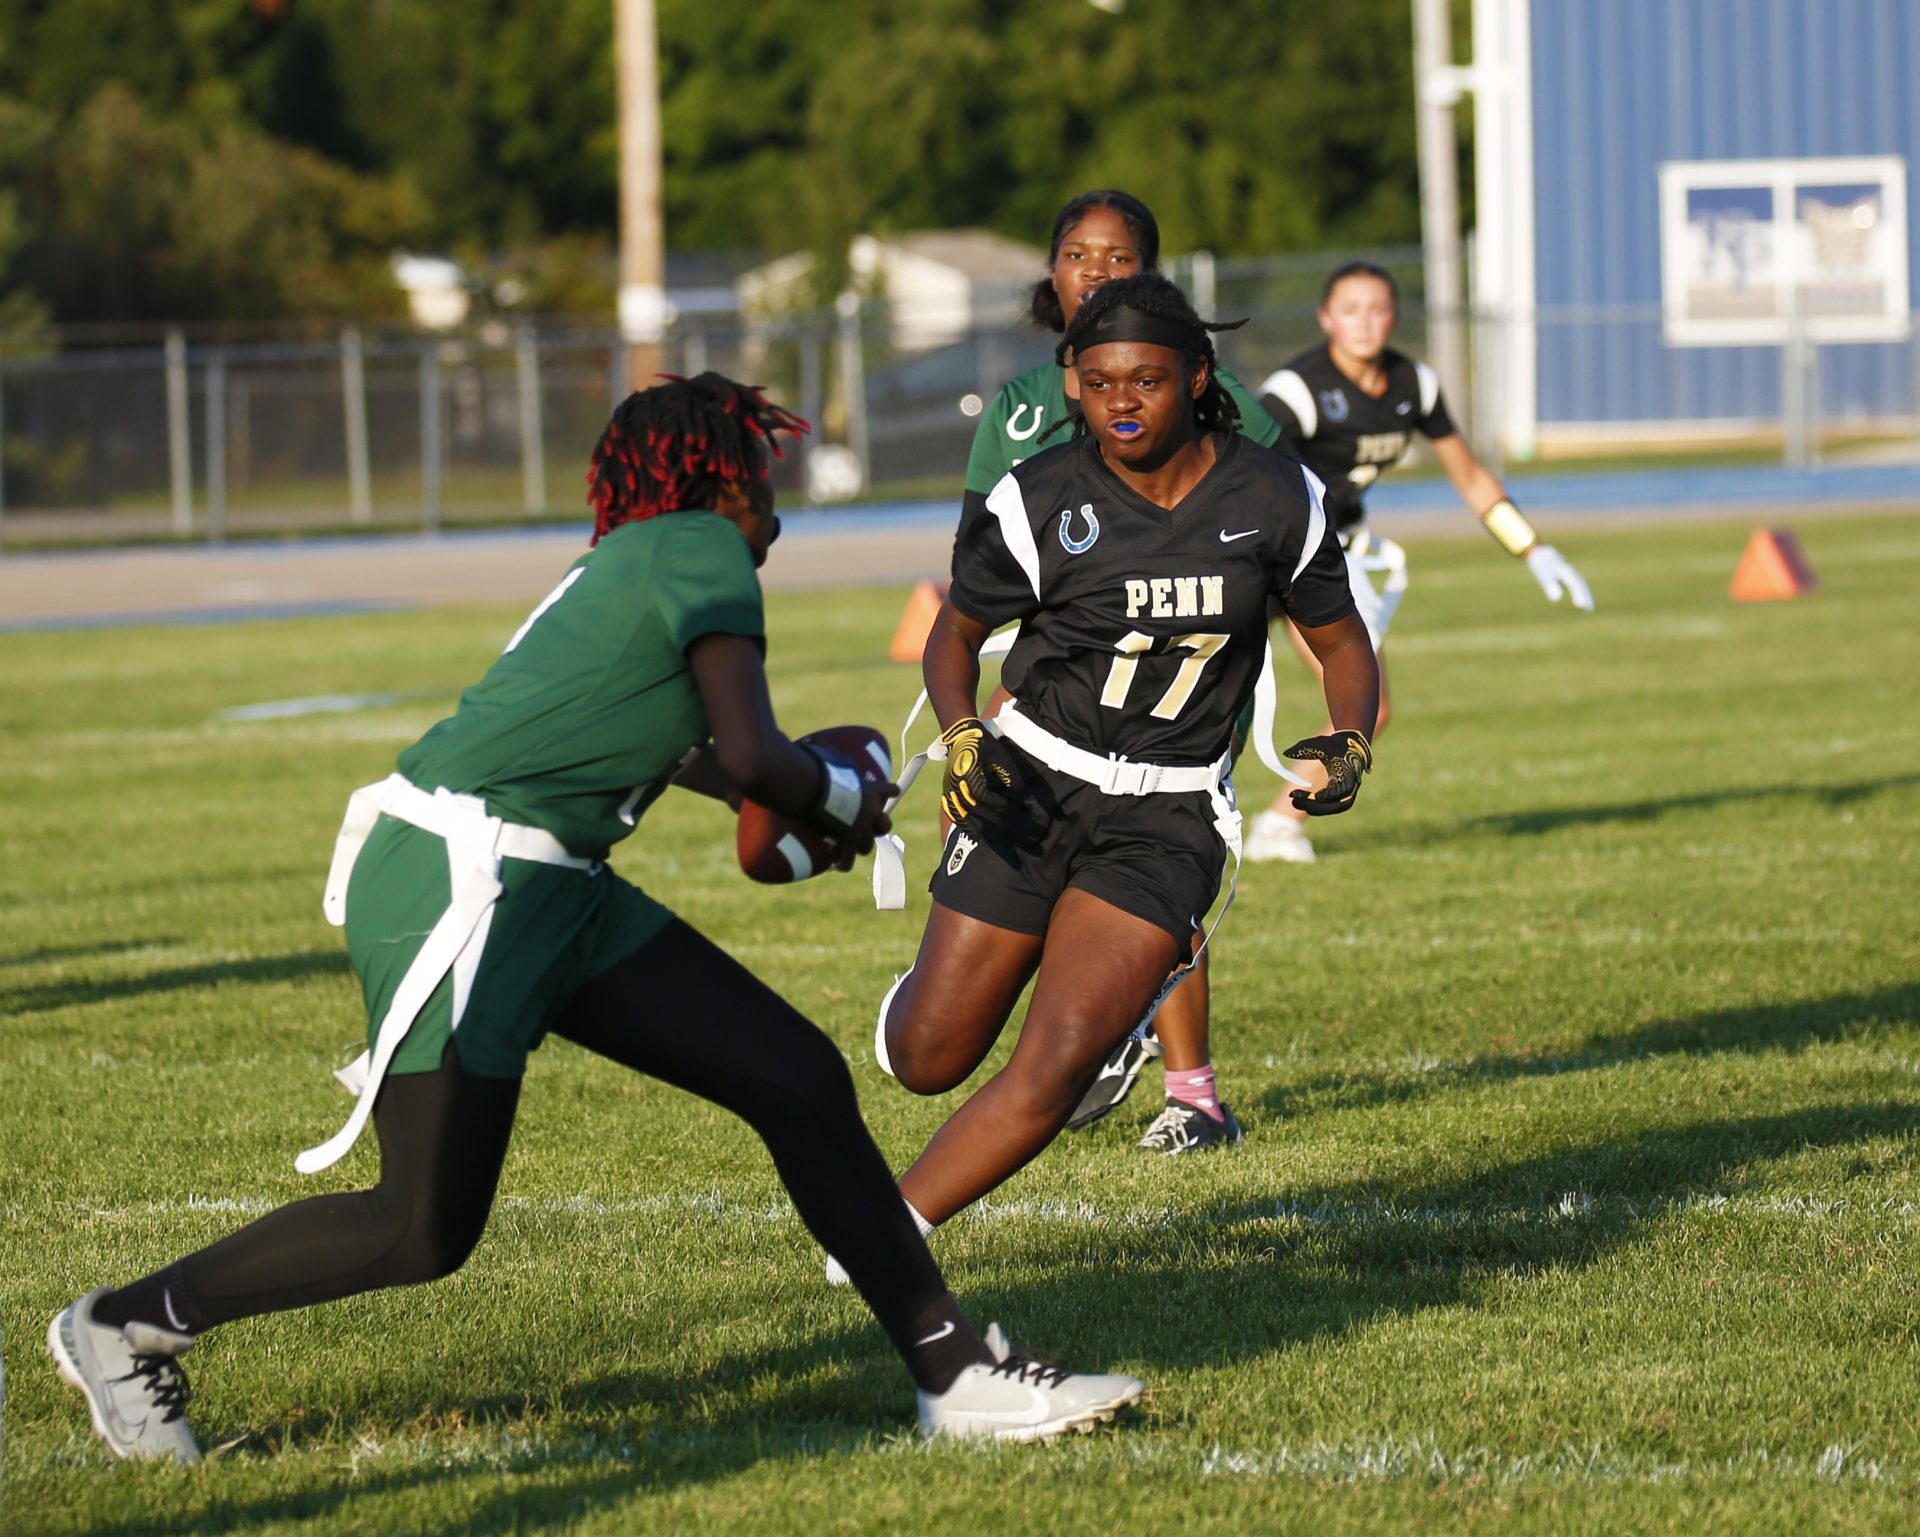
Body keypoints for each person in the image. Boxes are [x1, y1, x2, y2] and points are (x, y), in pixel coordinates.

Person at [45, 373, 1143, 1465]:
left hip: (550, 878)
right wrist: (834, 792)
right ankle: (123, 1324)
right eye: (761, 472)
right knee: (420, 1224)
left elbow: (681, 746)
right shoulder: (700, 545)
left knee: (797, 1078)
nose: (774, 498)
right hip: (474, 876)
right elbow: (752, 752)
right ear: (719, 477)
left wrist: (804, 801)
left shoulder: (642, 553)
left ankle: (954, 1373)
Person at [830, 274, 1379, 1268]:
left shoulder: (1272, 491)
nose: (1121, 402)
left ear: (1197, 377)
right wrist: (962, 733)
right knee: (928, 1057)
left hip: (1168, 815)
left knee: (1059, 1058)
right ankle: (939, 977)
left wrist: (1350, 738)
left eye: (1146, 381)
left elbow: (1341, 640)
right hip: (1032, 786)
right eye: (1098, 382)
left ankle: (880, 1243)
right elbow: (954, 635)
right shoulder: (1041, 496)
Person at [961, 189, 1287, 1151]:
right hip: (1056, 683)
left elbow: (1282, 543)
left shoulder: (1229, 407)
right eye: (1077, 253)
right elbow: (978, 572)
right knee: (1009, 824)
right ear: (1050, 271)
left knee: (1156, 865)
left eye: (1118, 256)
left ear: (1152, 274)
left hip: (1180, 685)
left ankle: (1192, 1093)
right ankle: (1090, 1020)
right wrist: (987, 706)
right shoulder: (1020, 411)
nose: (1095, 271)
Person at [1242, 260, 1595, 865]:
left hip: (1329, 558)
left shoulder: (1414, 384)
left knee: (1368, 707)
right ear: (1326, 318)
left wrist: (1530, 546)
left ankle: (1277, 824)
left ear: (1395, 317)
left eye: (1377, 309)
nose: (1364, 322)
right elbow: (1243, 466)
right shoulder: (1295, 390)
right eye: (1350, 310)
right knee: (1209, 694)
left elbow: (1470, 475)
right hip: (1267, 553)